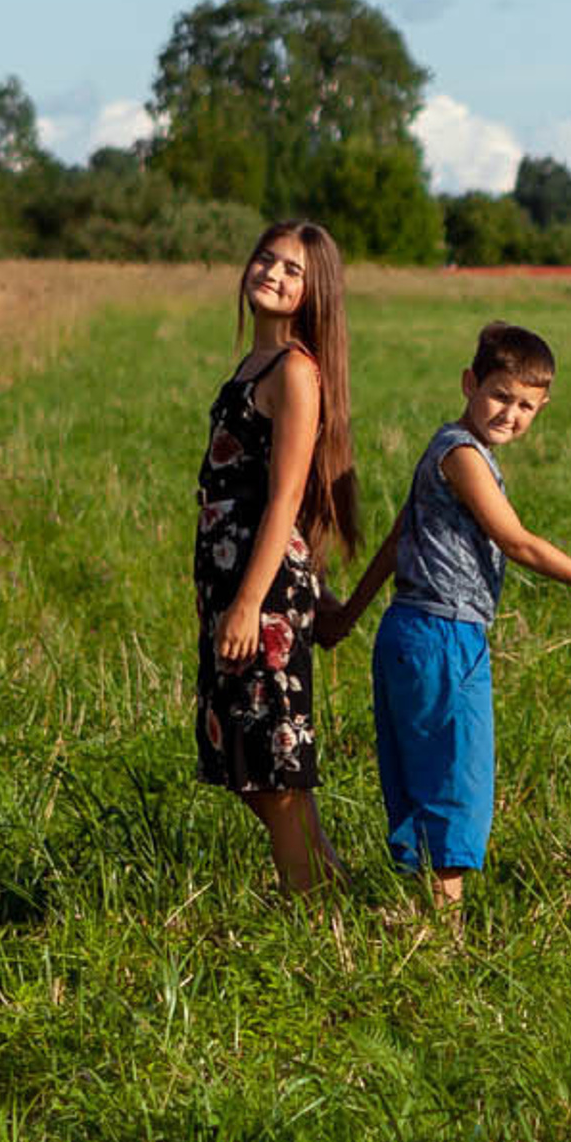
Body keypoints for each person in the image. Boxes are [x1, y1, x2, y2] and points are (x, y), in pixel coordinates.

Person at [319, 322, 571, 922]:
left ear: (542, 408)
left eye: (526, 405)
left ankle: (416, 920)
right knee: (454, 784)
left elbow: (399, 539)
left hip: (411, 633)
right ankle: (443, 935)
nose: (511, 414)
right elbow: (517, 542)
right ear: (470, 383)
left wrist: (347, 617)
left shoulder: (451, 451)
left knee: (421, 779)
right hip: (442, 637)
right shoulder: (462, 455)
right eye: (500, 395)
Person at [195, 220, 360, 896]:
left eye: (293, 270)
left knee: (270, 769)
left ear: (312, 291)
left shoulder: (296, 372)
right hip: (234, 584)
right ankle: (332, 892)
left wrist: (246, 606)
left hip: (259, 597)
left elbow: (286, 499)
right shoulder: (251, 366)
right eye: (267, 259)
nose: (273, 274)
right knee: (244, 759)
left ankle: (315, 912)